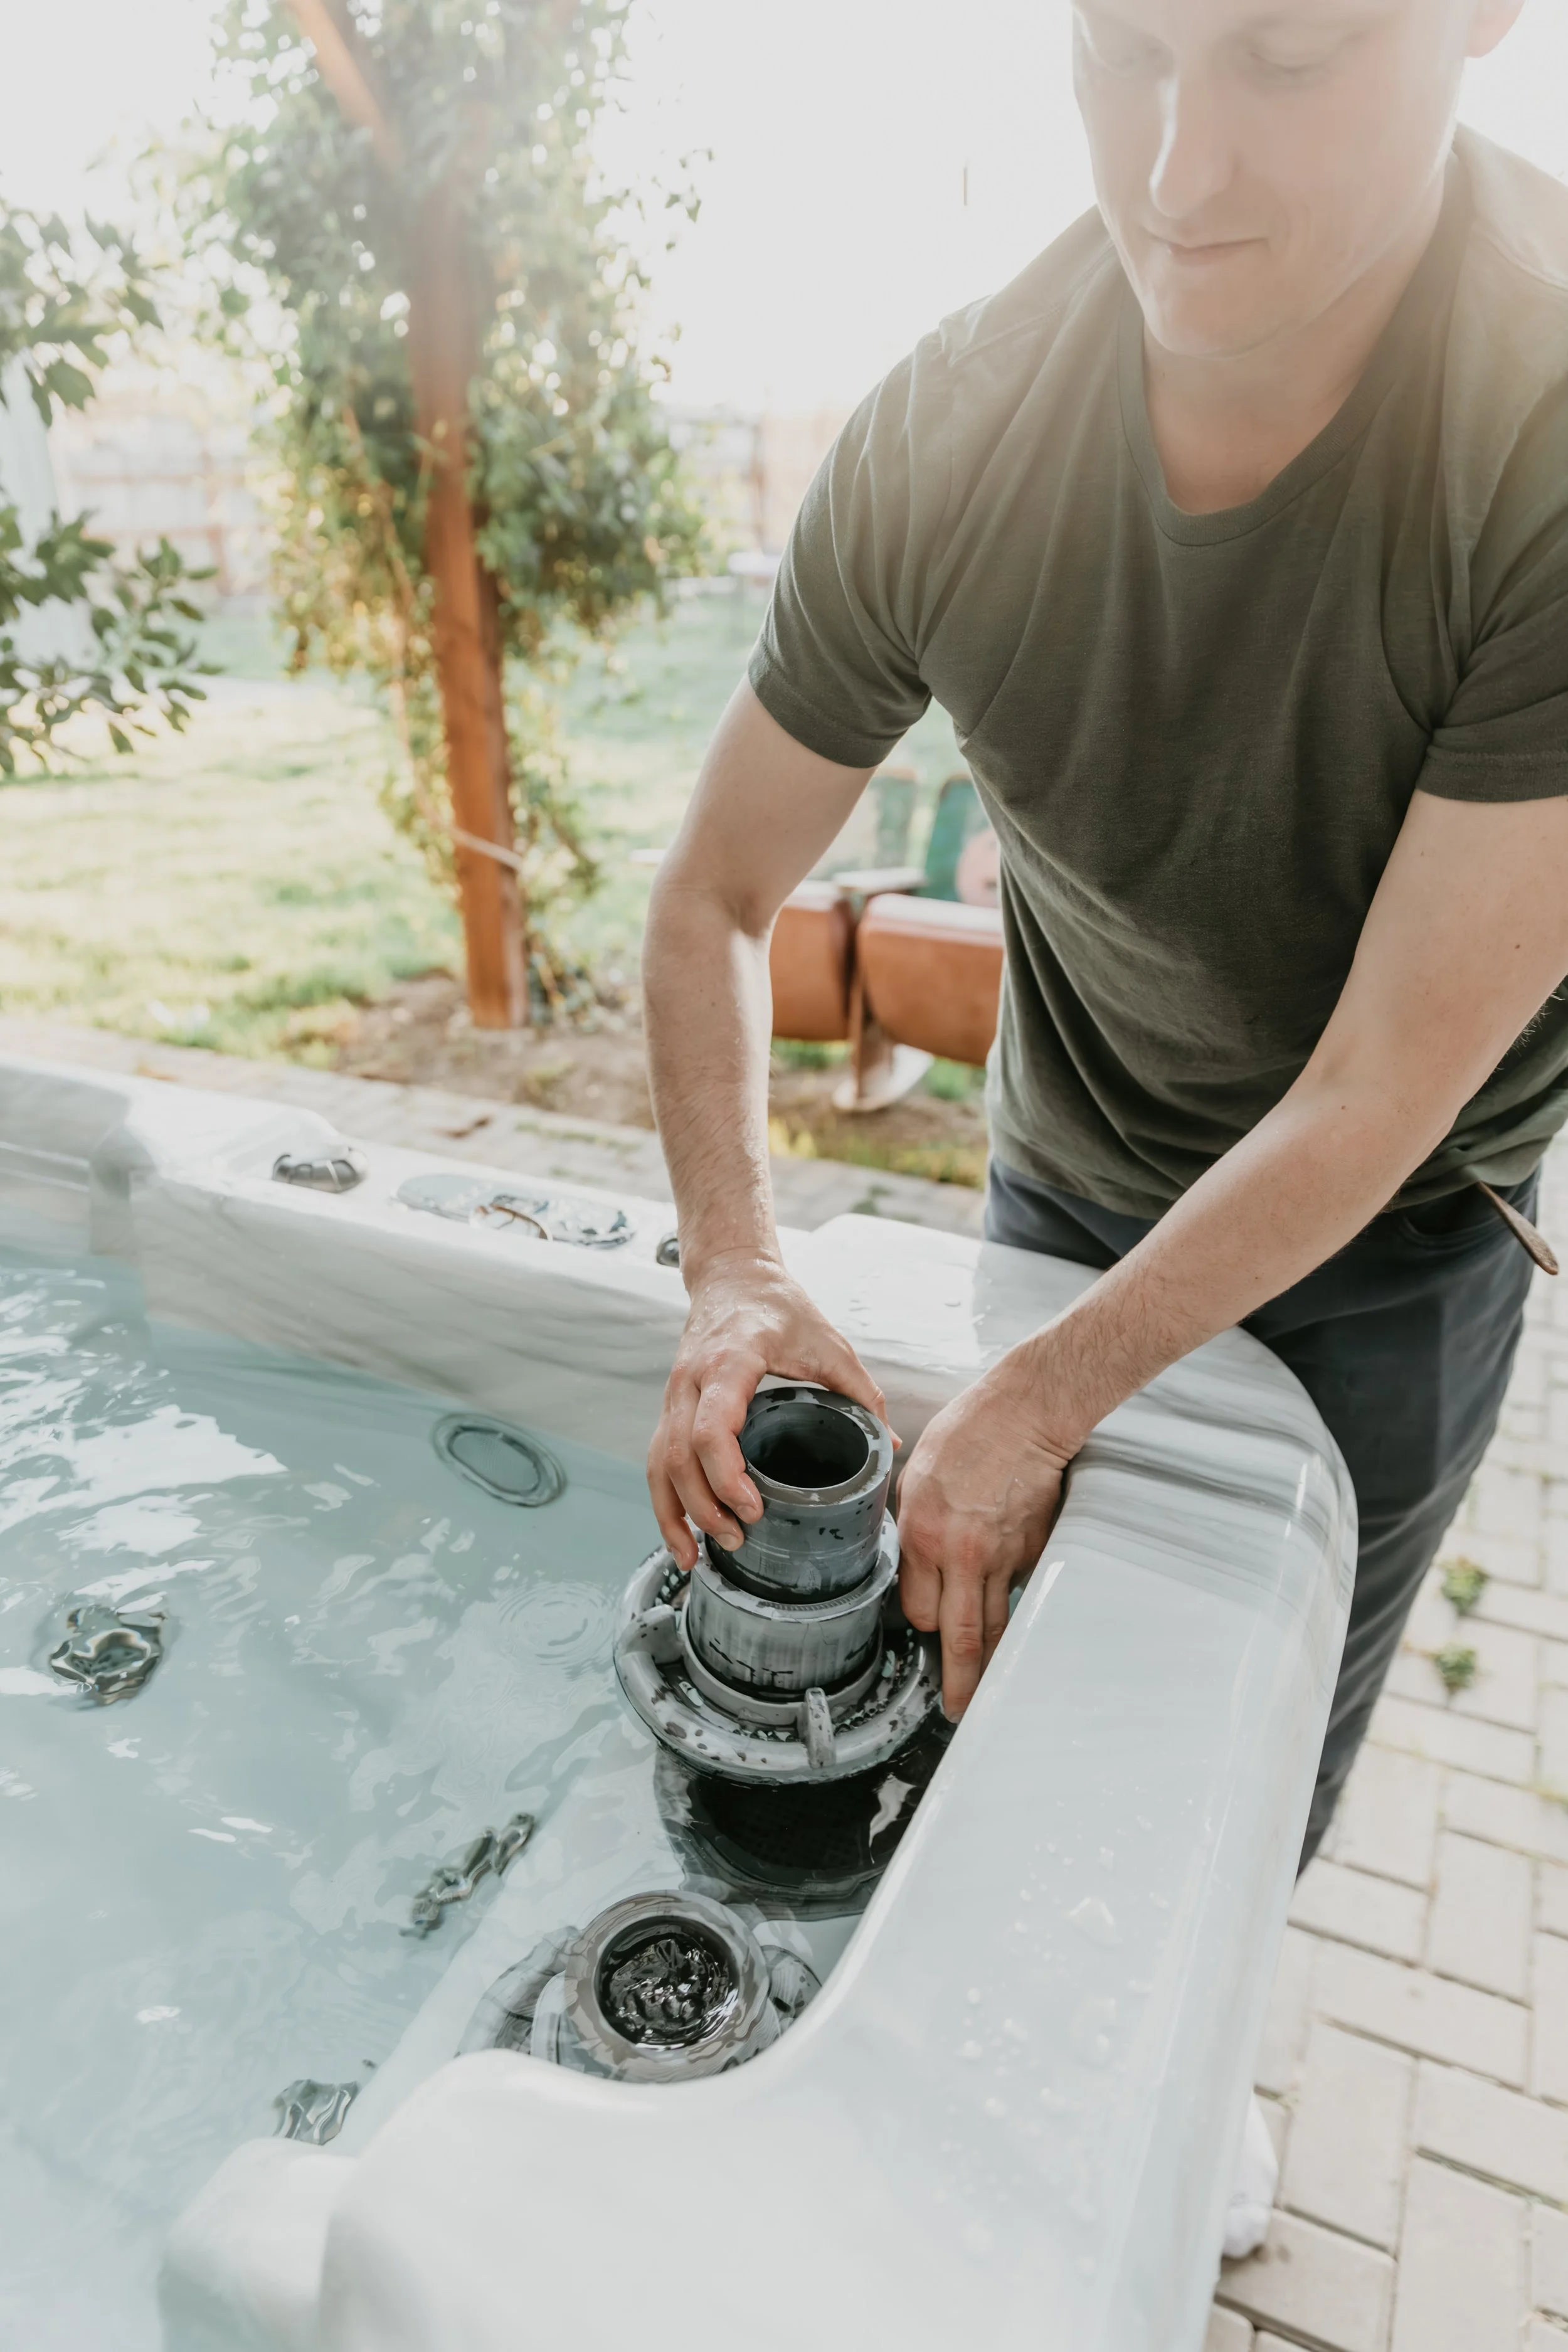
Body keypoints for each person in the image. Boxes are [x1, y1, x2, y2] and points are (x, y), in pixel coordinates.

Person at [641, 0, 1567, 2260]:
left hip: (1400, 1222)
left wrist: (1054, 1386)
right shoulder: (950, 433)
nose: (1175, 169)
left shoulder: (1543, 434)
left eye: (1283, 61)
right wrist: (741, 1257)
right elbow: (708, 898)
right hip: (1067, 1142)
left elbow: (1371, 1090)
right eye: (1125, 48)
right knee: (993, 1639)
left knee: (1244, 1742)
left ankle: (1193, 2050)